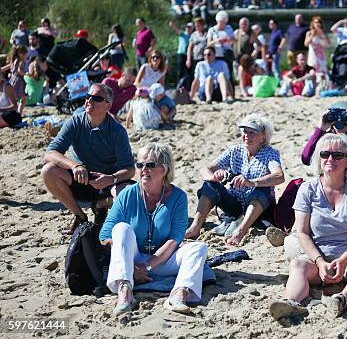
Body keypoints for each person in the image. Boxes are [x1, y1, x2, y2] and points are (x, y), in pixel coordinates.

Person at [269, 133, 347, 320]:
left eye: (337, 155)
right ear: (319, 159)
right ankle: (292, 303)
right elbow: (303, 233)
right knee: (297, 264)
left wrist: (345, 259)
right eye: (325, 154)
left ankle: (343, 298)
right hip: (317, 257)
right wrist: (320, 262)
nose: (330, 159)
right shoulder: (308, 189)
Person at [99, 144, 208, 315]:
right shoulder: (127, 194)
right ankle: (125, 294)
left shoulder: (178, 197)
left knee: (199, 247)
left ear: (164, 169)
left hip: (162, 259)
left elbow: (175, 238)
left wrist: (146, 267)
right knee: (121, 229)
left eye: (150, 165)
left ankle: (178, 295)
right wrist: (128, 262)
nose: (143, 170)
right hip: (132, 257)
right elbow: (105, 233)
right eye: (140, 165)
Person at [41, 84, 135, 234]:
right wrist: (74, 166)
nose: (89, 100)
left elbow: (130, 169)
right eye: (88, 96)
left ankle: (102, 204)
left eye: (96, 98)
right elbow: (50, 153)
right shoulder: (75, 122)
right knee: (48, 171)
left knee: (129, 191)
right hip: (82, 179)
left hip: (108, 182)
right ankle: (79, 216)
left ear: (108, 106)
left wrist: (110, 179)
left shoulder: (117, 131)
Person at [185, 114, 285, 244]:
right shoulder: (235, 150)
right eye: (245, 131)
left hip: (260, 207)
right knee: (209, 185)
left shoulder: (270, 153)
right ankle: (195, 227)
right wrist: (215, 177)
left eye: (252, 132)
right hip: (235, 204)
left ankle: (241, 231)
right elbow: (205, 169)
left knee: (261, 190)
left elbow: (279, 176)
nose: (246, 135)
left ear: (263, 137)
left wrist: (252, 182)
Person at [206, 11, 236, 90]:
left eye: (224, 22)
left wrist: (229, 40)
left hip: (227, 55)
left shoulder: (229, 28)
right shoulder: (212, 30)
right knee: (218, 74)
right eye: (221, 22)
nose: (223, 24)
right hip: (217, 55)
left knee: (229, 74)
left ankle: (231, 91)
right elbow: (208, 44)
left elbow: (234, 41)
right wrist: (217, 41)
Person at [305, 16, 331, 91]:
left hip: (321, 57)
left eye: (319, 22)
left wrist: (322, 33)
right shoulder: (309, 33)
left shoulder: (323, 33)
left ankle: (321, 89)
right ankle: (312, 89)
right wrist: (312, 35)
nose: (318, 24)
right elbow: (306, 44)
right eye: (316, 22)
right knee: (313, 73)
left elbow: (329, 43)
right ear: (313, 24)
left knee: (322, 74)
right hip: (313, 56)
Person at [1, 46, 27, 115]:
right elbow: (19, 71)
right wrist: (26, 74)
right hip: (19, 81)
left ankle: (17, 112)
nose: (25, 55)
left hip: (12, 80)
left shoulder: (14, 60)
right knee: (23, 99)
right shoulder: (21, 61)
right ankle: (19, 113)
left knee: (16, 98)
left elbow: (5, 68)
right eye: (23, 53)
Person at [168, 20, 193, 90]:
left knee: (189, 72)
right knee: (180, 71)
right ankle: (178, 86)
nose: (187, 28)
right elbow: (176, 30)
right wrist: (172, 25)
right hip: (181, 54)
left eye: (189, 27)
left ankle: (188, 87)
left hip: (189, 55)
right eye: (187, 27)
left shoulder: (193, 36)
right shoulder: (183, 34)